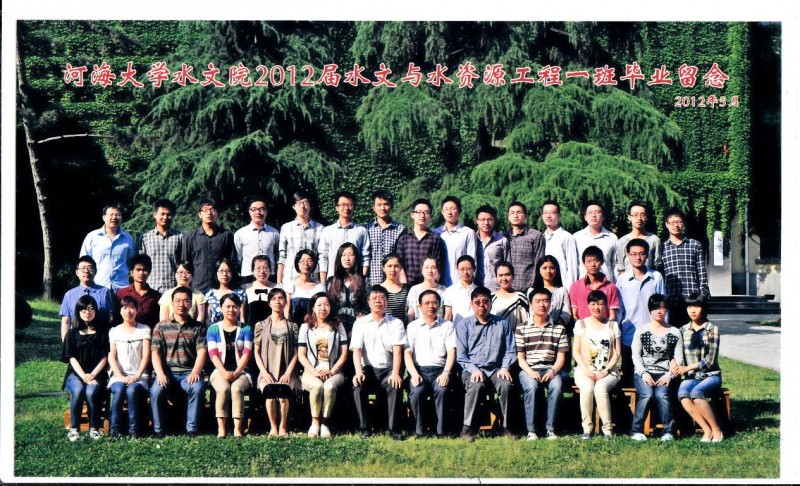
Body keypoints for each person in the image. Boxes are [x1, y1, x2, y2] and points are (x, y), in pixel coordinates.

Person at [456, 286, 518, 442]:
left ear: (491, 303)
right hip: (472, 369)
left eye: (485, 301)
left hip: (497, 368)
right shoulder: (464, 325)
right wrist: (474, 370)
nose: (481, 305)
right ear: (471, 304)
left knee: (506, 385)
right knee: (477, 386)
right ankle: (468, 428)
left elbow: (510, 350)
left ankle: (509, 426)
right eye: (477, 302)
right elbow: (461, 355)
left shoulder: (502, 323)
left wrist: (505, 367)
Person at [150, 287, 208, 437]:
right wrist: (160, 374)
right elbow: (155, 352)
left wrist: (195, 372)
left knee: (197, 388)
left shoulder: (198, 327)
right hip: (166, 373)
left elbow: (202, 352)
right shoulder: (160, 326)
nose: (181, 304)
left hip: (188, 373)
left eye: (185, 301)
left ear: (191, 304)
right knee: (155, 391)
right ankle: (158, 430)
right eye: (178, 301)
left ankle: (191, 429)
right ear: (172, 303)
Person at [351, 285, 407, 440]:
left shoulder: (396, 323)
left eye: (382, 298)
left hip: (388, 369)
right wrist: (358, 372)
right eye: (374, 298)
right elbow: (357, 350)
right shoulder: (360, 323)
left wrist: (395, 373)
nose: (378, 301)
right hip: (368, 369)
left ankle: (394, 429)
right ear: (368, 302)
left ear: (387, 301)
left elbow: (398, 351)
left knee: (395, 385)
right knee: (358, 387)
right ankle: (365, 428)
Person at [516, 288, 569, 440]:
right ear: (530, 304)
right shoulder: (521, 328)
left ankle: (550, 429)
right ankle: (531, 430)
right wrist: (530, 372)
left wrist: (553, 371)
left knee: (556, 387)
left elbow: (561, 358)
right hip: (529, 369)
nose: (542, 305)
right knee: (531, 387)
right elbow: (521, 358)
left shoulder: (559, 328)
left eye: (545, 301)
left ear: (550, 303)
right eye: (537, 301)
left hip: (550, 368)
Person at [629, 294, 683, 442]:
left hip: (665, 373)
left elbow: (679, 359)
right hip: (644, 373)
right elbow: (636, 355)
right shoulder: (641, 330)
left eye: (662, 308)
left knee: (662, 395)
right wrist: (643, 373)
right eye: (655, 308)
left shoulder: (675, 332)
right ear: (650, 310)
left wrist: (669, 375)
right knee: (647, 395)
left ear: (667, 309)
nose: (659, 311)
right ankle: (636, 431)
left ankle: (668, 432)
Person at [405, 290, 456, 438]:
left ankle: (441, 431)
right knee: (416, 392)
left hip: (440, 370)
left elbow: (451, 351)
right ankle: (420, 431)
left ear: (439, 305)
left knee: (442, 390)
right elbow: (407, 353)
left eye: (434, 303)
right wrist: (414, 374)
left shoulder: (447, 325)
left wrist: (446, 373)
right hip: (419, 371)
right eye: (426, 303)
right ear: (419, 306)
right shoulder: (412, 326)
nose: (430, 306)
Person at [673, 293, 724, 442]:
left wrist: (688, 367)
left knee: (696, 393)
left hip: (711, 376)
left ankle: (717, 430)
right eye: (689, 306)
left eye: (696, 306)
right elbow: (675, 352)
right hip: (692, 377)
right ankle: (706, 430)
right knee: (683, 394)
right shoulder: (682, 330)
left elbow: (710, 360)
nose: (692, 310)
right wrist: (675, 364)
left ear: (704, 308)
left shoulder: (712, 329)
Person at [297, 292, 349, 438]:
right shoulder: (305, 327)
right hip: (311, 371)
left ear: (331, 307)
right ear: (313, 308)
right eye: (319, 305)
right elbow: (301, 355)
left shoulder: (338, 326)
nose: (323, 308)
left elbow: (344, 354)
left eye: (326, 305)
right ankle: (315, 422)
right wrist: (315, 372)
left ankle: (325, 423)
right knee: (317, 385)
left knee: (329, 386)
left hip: (334, 371)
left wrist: (332, 371)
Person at [572, 290, 621, 440]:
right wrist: (586, 371)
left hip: (608, 371)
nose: (596, 307)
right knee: (587, 388)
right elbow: (576, 352)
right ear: (588, 305)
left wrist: (605, 371)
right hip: (584, 370)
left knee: (600, 389)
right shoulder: (581, 324)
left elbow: (617, 354)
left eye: (600, 304)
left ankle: (607, 429)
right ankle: (587, 428)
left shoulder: (612, 325)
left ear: (606, 305)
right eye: (593, 304)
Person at [617, 239, 665, 384]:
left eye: (641, 254)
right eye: (633, 254)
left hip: (652, 334)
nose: (637, 257)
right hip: (628, 333)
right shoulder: (622, 279)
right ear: (628, 256)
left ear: (647, 255)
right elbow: (619, 309)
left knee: (651, 376)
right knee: (628, 376)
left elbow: (663, 305)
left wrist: (663, 329)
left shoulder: (656, 277)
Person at [62, 295, 109, 441]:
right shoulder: (72, 333)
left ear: (95, 311)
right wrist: (84, 376)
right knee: (78, 390)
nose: (87, 312)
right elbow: (71, 357)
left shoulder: (103, 332)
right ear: (78, 311)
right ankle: (74, 428)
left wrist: (92, 375)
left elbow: (105, 356)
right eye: (83, 309)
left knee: (91, 391)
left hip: (97, 373)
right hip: (76, 373)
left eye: (90, 308)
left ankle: (94, 428)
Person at [253, 288, 299, 437]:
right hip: (267, 370)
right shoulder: (261, 325)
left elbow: (296, 353)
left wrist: (288, 373)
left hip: (286, 371)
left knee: (284, 393)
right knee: (270, 393)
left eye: (281, 298)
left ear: (285, 302)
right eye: (273, 298)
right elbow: (256, 352)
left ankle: (283, 426)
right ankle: (273, 427)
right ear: (269, 303)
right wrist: (264, 373)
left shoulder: (292, 326)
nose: (277, 301)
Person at [206, 293, 253, 438]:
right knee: (223, 388)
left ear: (239, 309)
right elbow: (213, 354)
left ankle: (237, 429)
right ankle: (222, 429)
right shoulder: (213, 329)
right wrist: (224, 372)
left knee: (236, 388)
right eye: (227, 306)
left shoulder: (246, 329)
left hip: (241, 371)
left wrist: (237, 372)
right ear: (221, 308)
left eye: (235, 306)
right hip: (219, 371)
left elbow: (247, 353)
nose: (231, 310)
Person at [107, 296, 151, 438]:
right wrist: (120, 376)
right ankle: (114, 429)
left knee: (132, 391)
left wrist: (137, 376)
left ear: (137, 310)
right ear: (120, 311)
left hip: (139, 376)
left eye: (132, 307)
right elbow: (111, 356)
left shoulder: (144, 329)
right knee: (119, 390)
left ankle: (134, 430)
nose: (128, 311)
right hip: (118, 375)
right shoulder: (114, 331)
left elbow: (146, 356)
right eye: (124, 308)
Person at [661, 207, 710, 327]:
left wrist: (703, 295)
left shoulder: (695, 245)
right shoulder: (662, 248)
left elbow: (701, 272)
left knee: (695, 333)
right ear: (667, 224)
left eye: (679, 222)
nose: (676, 225)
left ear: (684, 224)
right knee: (674, 333)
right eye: (672, 222)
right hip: (672, 300)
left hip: (693, 299)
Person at [181, 197, 236, 293]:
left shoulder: (226, 235)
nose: (209, 213)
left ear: (217, 213)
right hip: (197, 288)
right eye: (205, 210)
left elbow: (231, 262)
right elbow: (185, 264)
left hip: (220, 288)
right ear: (199, 214)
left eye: (213, 209)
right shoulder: (190, 237)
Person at [318, 191, 371, 284]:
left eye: (350, 205)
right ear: (337, 207)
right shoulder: (327, 231)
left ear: (354, 207)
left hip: (355, 281)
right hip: (333, 280)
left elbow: (365, 257)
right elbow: (323, 258)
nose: (346, 208)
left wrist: (362, 280)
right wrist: (323, 283)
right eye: (342, 204)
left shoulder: (361, 231)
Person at [79, 203, 136, 290]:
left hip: (122, 287)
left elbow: (132, 264)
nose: (114, 217)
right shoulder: (92, 237)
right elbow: (83, 263)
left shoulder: (128, 239)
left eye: (118, 215)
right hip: (97, 287)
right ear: (104, 217)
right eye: (111, 214)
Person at [60, 256, 114, 341]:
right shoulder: (69, 295)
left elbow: (110, 318)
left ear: (95, 271)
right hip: (76, 339)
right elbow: (66, 321)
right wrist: (65, 343)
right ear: (77, 272)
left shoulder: (105, 292)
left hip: (99, 338)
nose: (86, 271)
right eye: (83, 268)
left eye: (90, 268)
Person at [395, 198, 446, 286]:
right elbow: (399, 264)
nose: (422, 215)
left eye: (426, 212)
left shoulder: (435, 239)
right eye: (418, 212)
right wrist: (405, 287)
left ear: (430, 216)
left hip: (428, 286)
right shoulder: (403, 239)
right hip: (407, 286)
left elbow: (438, 265)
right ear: (412, 214)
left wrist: (433, 286)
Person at [277, 190, 323, 285]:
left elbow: (322, 257)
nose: (302, 206)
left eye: (305, 203)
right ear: (294, 206)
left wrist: (322, 283)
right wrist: (279, 282)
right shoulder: (286, 228)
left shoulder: (320, 229)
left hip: (312, 278)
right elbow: (282, 256)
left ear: (310, 206)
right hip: (290, 278)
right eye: (299, 203)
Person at [137, 198, 183, 294]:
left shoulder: (180, 237)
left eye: (169, 214)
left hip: (173, 288)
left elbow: (183, 263)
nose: (165, 217)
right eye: (162, 214)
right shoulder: (145, 238)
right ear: (155, 214)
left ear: (173, 216)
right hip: (151, 288)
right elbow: (141, 265)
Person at [325, 243, 368, 337]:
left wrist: (358, 325)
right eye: (343, 255)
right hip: (335, 328)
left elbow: (367, 306)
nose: (347, 258)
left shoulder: (364, 281)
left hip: (359, 328)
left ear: (356, 258)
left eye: (351, 255)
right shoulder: (331, 282)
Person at [365, 189, 407, 286]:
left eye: (386, 204)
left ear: (391, 206)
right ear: (373, 207)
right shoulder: (366, 229)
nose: (382, 208)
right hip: (371, 281)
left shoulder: (400, 229)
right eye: (379, 205)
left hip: (394, 282)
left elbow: (402, 257)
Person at [234, 195, 280, 283]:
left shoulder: (274, 233)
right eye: (254, 209)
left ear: (266, 211)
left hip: (269, 277)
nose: (258, 212)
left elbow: (277, 256)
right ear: (249, 211)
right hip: (248, 277)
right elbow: (238, 259)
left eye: (261, 209)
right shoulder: (240, 234)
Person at [434, 195, 477, 287]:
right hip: (439, 285)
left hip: (461, 284)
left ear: (459, 211)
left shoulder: (467, 233)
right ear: (442, 212)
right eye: (446, 209)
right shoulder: (436, 233)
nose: (449, 212)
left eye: (453, 209)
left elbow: (472, 260)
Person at [569, 246, 621, 321]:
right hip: (583, 327)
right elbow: (574, 315)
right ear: (583, 263)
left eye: (596, 261)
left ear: (602, 262)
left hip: (604, 327)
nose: (593, 264)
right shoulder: (576, 287)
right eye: (589, 261)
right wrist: (581, 326)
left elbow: (612, 315)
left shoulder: (611, 287)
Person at [573, 201, 618, 283]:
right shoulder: (576, 237)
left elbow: (615, 265)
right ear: (585, 217)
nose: (594, 215)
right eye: (590, 213)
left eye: (597, 212)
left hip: (606, 284)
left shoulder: (612, 237)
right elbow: (574, 265)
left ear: (603, 216)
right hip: (583, 284)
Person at [505, 201, 545, 291]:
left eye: (519, 212)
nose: (516, 216)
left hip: (528, 287)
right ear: (508, 216)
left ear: (525, 216)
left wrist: (535, 285)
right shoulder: (504, 237)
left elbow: (539, 262)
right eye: (512, 213)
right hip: (507, 288)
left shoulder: (535, 236)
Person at [615, 201, 662, 276]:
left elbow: (657, 265)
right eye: (635, 215)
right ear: (629, 217)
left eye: (642, 215)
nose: (639, 218)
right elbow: (620, 268)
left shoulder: (654, 240)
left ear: (646, 217)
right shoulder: (622, 241)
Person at [115, 254, 161, 328]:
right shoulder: (121, 293)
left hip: (148, 333)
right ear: (131, 272)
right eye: (138, 270)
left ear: (149, 272)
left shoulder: (155, 296)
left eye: (145, 270)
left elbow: (157, 320)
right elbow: (117, 318)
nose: (141, 273)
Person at [541, 200, 579, 288]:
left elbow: (572, 266)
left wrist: (570, 290)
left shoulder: (566, 237)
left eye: (552, 213)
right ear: (542, 216)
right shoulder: (541, 237)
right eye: (545, 213)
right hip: (545, 287)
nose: (548, 216)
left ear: (559, 216)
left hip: (563, 286)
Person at [285, 249, 326, 325]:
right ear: (297, 263)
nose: (306, 264)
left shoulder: (319, 287)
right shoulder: (291, 285)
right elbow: (286, 312)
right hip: (294, 326)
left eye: (310, 261)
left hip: (314, 326)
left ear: (314, 264)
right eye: (302, 261)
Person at [474, 205, 508, 291]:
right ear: (477, 220)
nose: (486, 223)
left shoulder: (502, 240)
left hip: (495, 288)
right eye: (483, 219)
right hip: (474, 287)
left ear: (494, 220)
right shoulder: (472, 239)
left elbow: (507, 265)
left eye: (489, 219)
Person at [531, 255, 572, 326]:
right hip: (536, 328)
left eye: (552, 268)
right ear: (539, 270)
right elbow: (531, 311)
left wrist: (555, 325)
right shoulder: (532, 291)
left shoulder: (562, 291)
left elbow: (566, 313)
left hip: (556, 329)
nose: (548, 271)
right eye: (544, 268)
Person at [203, 258, 246, 325]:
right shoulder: (210, 294)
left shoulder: (240, 293)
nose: (225, 274)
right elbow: (207, 319)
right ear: (216, 273)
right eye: (221, 271)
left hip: (235, 329)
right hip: (215, 330)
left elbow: (242, 318)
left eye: (228, 271)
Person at [491, 261, 529, 331]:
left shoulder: (520, 298)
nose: (504, 278)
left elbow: (526, 324)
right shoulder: (491, 297)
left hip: (515, 336)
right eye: (500, 275)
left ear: (513, 276)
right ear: (496, 277)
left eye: (507, 275)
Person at [406, 257, 446, 322]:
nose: (430, 271)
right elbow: (411, 314)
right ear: (422, 270)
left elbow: (447, 313)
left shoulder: (444, 290)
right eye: (427, 267)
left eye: (433, 268)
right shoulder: (414, 290)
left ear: (438, 271)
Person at [443, 255, 478, 324]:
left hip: (476, 328)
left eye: (469, 269)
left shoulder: (479, 290)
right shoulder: (450, 291)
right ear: (457, 270)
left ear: (474, 269)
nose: (465, 272)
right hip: (457, 328)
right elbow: (448, 315)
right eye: (462, 269)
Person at [379, 253, 411, 325]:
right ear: (383, 268)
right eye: (389, 266)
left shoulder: (408, 289)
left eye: (396, 266)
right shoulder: (378, 289)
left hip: (402, 328)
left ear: (401, 268)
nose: (392, 269)